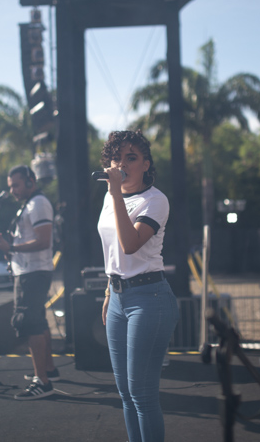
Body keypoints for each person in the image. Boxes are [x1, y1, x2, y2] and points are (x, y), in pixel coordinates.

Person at [98, 130, 179, 442]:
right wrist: (109, 291)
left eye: (130, 158)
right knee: (125, 395)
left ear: (146, 164)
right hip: (118, 297)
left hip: (150, 298)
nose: (121, 164)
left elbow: (130, 244)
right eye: (116, 158)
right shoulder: (111, 197)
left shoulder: (155, 201)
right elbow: (113, 252)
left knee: (142, 394)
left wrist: (116, 192)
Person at [0, 165, 59, 400]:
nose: (12, 190)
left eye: (16, 185)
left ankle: (42, 381)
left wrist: (10, 247)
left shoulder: (38, 203)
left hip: (33, 273)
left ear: (31, 181)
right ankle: (49, 370)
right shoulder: (30, 204)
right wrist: (9, 243)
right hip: (31, 271)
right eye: (10, 186)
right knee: (38, 322)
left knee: (29, 323)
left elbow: (43, 241)